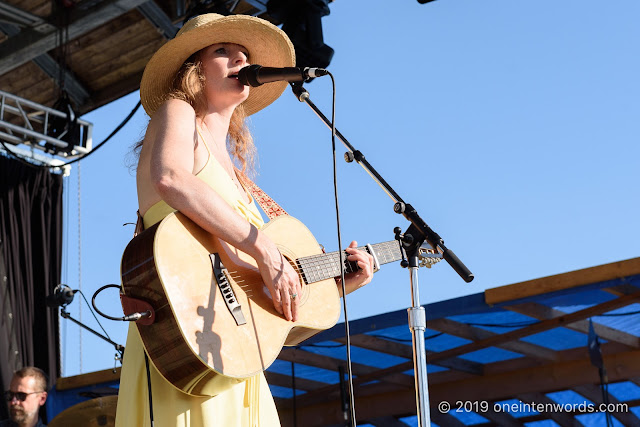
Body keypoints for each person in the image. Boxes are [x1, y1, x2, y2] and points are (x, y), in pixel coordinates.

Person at [115, 13, 375, 427]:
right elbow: (171, 177)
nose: (239, 60)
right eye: (223, 51)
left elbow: (260, 295)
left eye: (244, 54)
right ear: (194, 68)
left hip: (232, 351)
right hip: (180, 331)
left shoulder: (240, 180)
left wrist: (337, 285)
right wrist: (265, 250)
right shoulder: (177, 111)